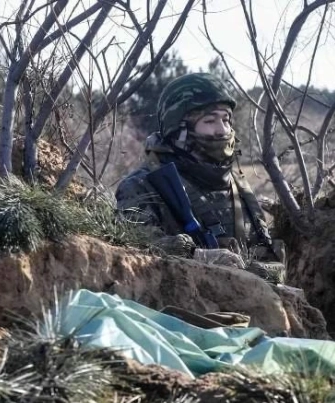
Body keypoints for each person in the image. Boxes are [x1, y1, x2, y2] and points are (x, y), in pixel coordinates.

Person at [116, 72, 285, 283]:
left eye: (226, 120)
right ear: (179, 128)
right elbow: (134, 253)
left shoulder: (239, 186)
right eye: (210, 120)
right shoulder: (142, 186)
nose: (222, 130)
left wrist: (262, 273)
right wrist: (196, 256)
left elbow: (269, 256)